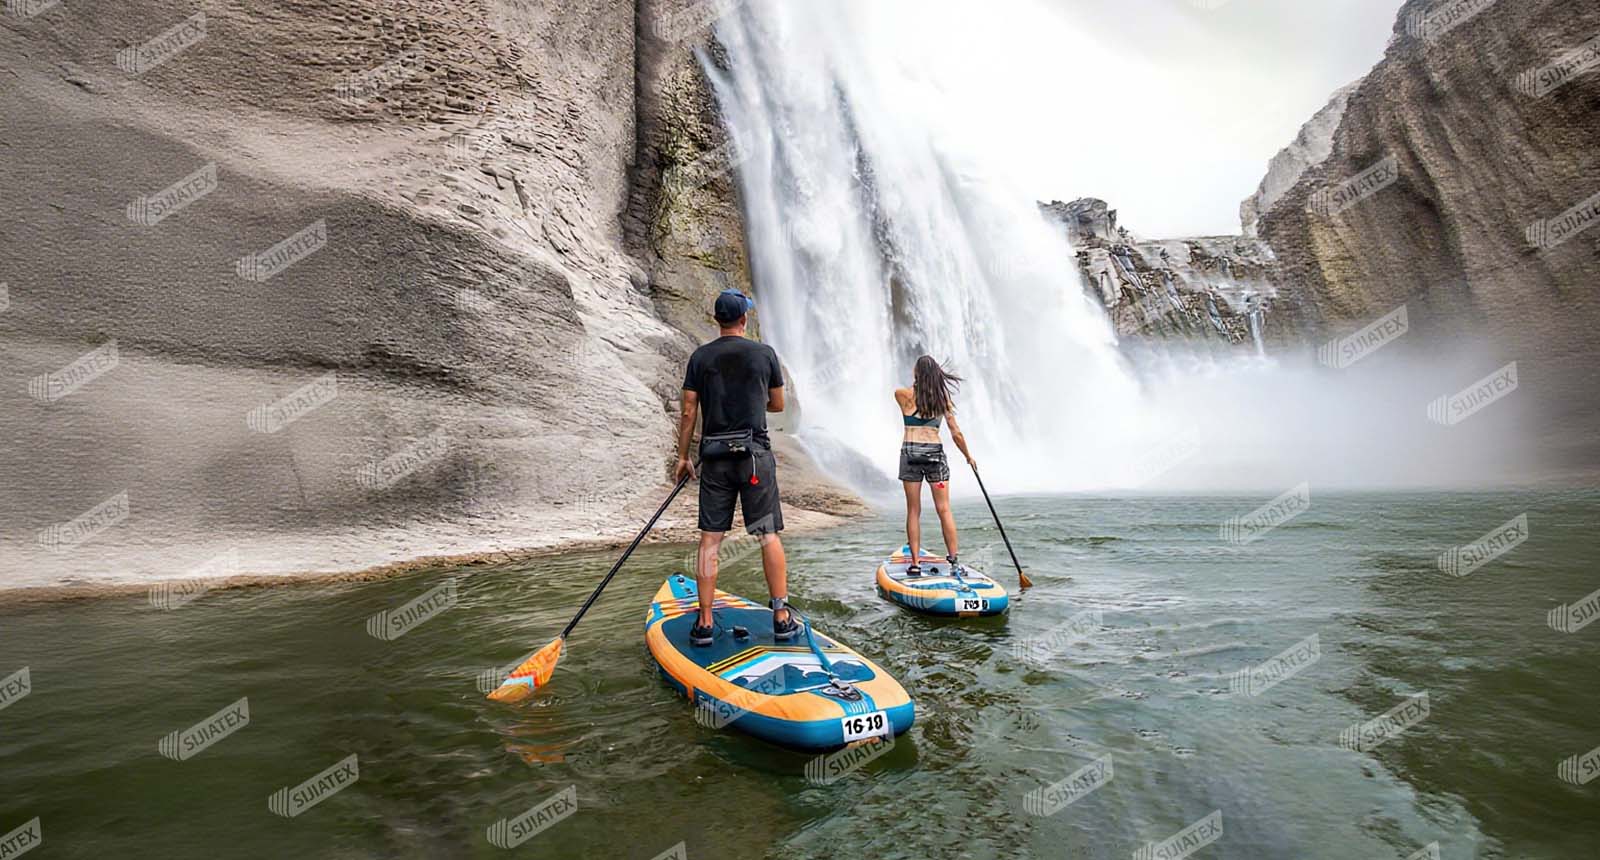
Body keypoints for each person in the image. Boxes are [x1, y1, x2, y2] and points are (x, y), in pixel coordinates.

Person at [673, 289, 796, 646]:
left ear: (717, 320)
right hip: (754, 456)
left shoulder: (700, 357)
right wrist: (754, 401)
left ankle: (705, 622)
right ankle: (781, 617)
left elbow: (689, 411)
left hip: (715, 459)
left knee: (710, 539)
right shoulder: (764, 353)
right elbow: (778, 404)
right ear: (744, 319)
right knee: (767, 534)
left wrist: (683, 457)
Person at [894, 355, 975, 576]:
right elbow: (956, 433)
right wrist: (968, 456)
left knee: (913, 510)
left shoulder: (902, 395)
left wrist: (918, 383)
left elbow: (913, 391)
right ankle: (954, 562)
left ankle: (915, 564)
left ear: (917, 373)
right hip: (935, 458)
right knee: (944, 509)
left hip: (910, 455)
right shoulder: (942, 400)